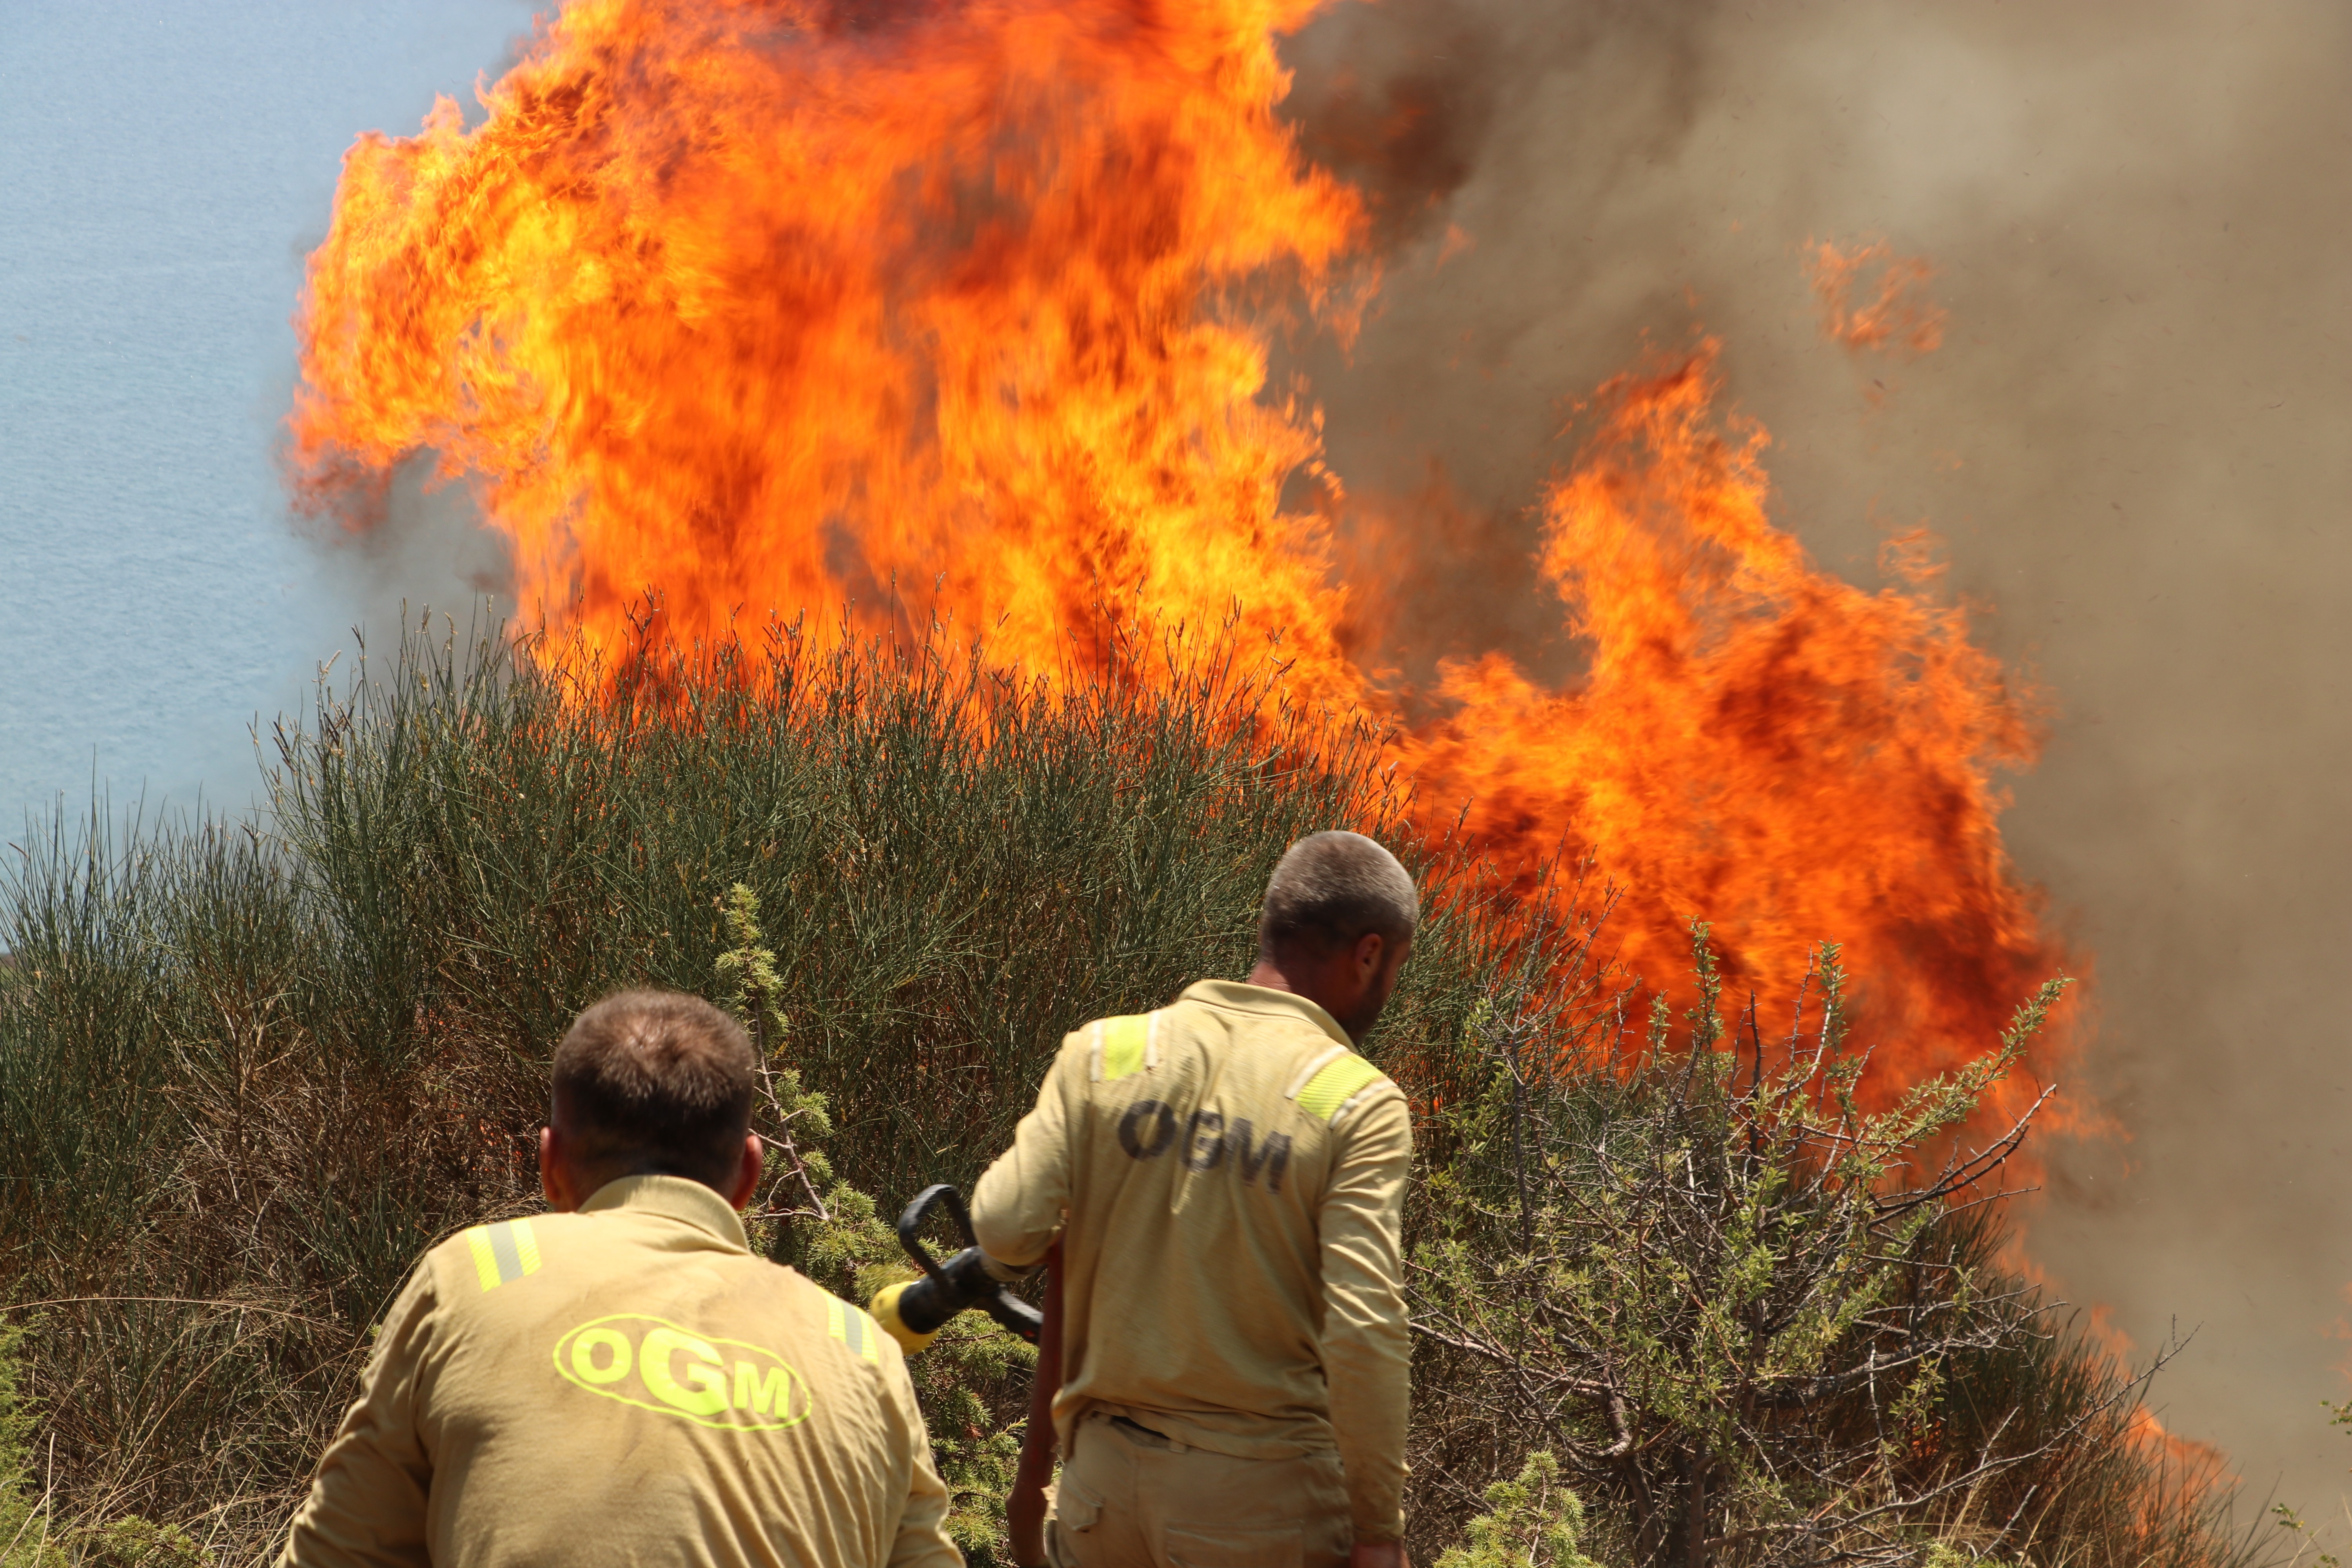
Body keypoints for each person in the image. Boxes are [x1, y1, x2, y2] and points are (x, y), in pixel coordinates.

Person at [279, 990, 962, 1568]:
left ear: (551, 1167)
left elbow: (340, 1551)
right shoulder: (861, 1348)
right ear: (750, 1175)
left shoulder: (475, 1274)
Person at [967, 831, 1418, 1568]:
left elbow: (1006, 1228)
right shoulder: (1358, 1101)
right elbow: (1364, 1331)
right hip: (1260, 1515)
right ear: (1369, 955)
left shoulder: (1104, 1051)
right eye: (1394, 968)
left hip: (1100, 1500)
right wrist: (1377, 1530)